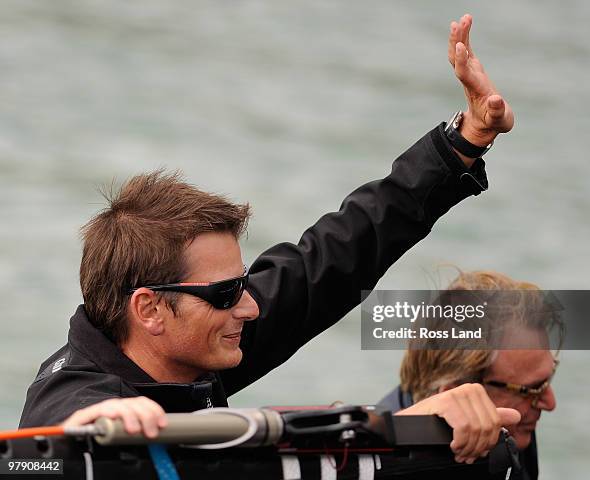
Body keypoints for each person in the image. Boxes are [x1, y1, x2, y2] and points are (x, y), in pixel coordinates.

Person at [20, 15, 518, 464]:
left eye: (241, 284)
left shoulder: (196, 337)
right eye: (224, 294)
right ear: (148, 309)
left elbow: (338, 252)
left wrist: (463, 141)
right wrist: (96, 430)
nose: (249, 307)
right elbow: (64, 423)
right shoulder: (74, 394)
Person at [377, 270, 560, 478]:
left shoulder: (511, 429)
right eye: (530, 390)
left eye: (547, 379)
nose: (549, 402)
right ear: (453, 395)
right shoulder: (379, 467)